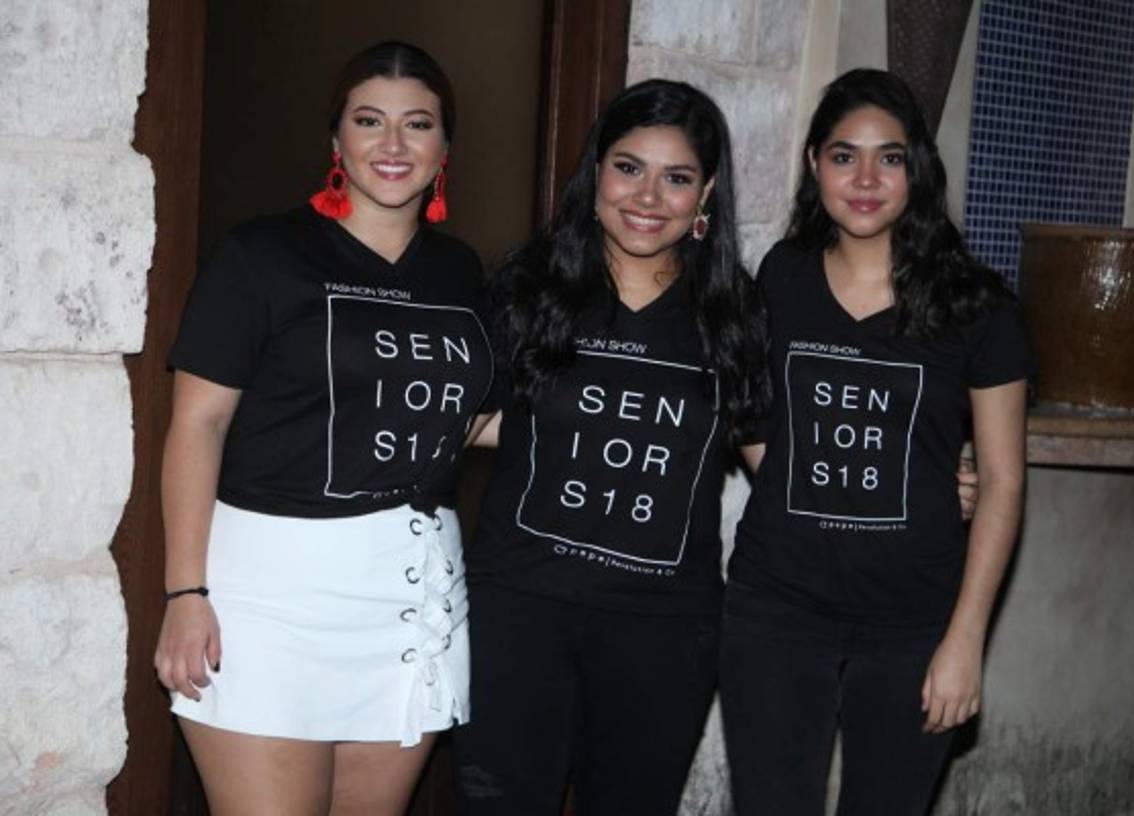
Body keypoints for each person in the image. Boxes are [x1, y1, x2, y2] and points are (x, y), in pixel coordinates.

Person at [153, 41, 494, 815]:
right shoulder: (262, 255)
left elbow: (461, 420)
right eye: (369, 121)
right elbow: (197, 425)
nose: (394, 145)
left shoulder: (461, 273)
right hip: (272, 599)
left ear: (445, 149)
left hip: (408, 600)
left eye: (418, 124)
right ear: (335, 140)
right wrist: (185, 591)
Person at [451, 79, 770, 816]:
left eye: (677, 177)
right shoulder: (528, 290)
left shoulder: (733, 315)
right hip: (517, 618)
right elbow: (458, 426)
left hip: (663, 636)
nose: (649, 196)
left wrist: (927, 484)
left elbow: (782, 467)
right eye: (629, 167)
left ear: (706, 195)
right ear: (595, 173)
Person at [719, 68, 1031, 815]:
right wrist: (807, 481)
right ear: (813, 164)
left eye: (889, 158)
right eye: (843, 155)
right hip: (775, 612)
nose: (865, 179)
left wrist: (965, 640)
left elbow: (1004, 482)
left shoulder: (975, 304)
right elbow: (756, 420)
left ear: (916, 170)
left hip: (914, 624)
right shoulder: (783, 277)